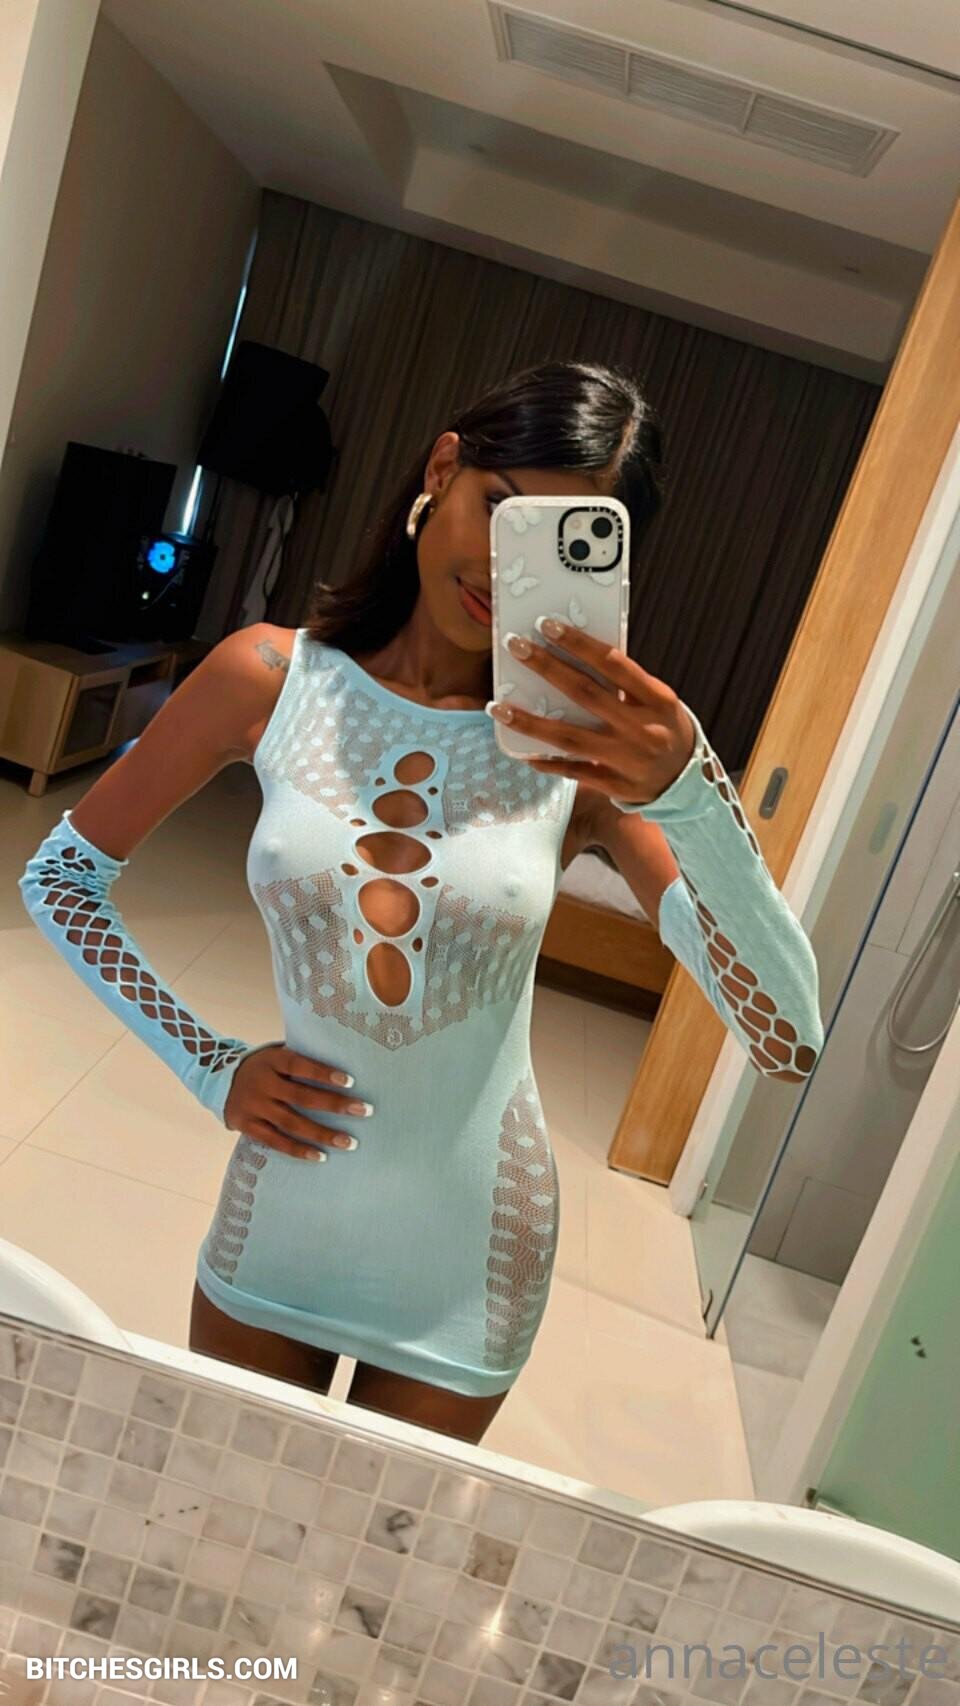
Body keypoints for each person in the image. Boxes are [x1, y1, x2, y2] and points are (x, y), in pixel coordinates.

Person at [19, 361, 824, 1445]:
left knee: (381, 1555)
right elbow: (60, 880)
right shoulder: (271, 678)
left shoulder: (580, 764)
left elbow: (787, 1039)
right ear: (443, 469)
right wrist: (209, 1064)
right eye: (500, 507)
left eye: (551, 540)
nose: (500, 565)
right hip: (282, 1215)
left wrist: (691, 793)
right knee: (217, 1516)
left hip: (473, 1251)